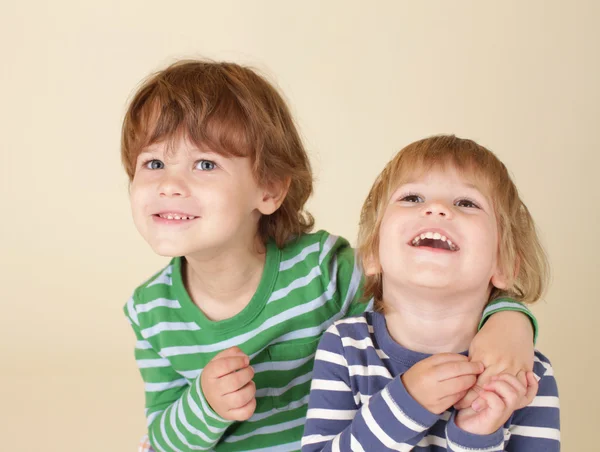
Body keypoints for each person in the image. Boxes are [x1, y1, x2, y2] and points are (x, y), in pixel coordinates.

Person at [121, 61, 539, 451]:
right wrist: (205, 405)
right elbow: (161, 439)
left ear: (268, 190)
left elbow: (425, 289)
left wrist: (509, 322)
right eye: (153, 162)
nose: (169, 184)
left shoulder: (322, 269)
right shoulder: (150, 310)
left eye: (205, 165)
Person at [301, 135, 560, 451]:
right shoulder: (344, 347)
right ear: (371, 254)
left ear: (504, 264)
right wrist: (405, 404)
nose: (437, 208)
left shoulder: (526, 374)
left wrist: (475, 436)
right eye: (412, 198)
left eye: (466, 202)